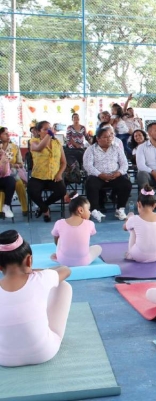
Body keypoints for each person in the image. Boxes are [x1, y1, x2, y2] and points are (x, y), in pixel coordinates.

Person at [0, 230, 72, 367]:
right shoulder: (42, 278)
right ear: (29, 260)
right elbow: (66, 270)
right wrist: (37, 271)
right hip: (43, 353)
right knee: (63, 286)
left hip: (3, 359)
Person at [82, 126, 132, 222]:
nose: (109, 139)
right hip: (97, 176)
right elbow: (87, 165)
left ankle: (120, 209)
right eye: (105, 137)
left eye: (110, 136)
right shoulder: (91, 149)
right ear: (98, 138)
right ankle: (95, 210)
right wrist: (100, 174)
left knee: (126, 184)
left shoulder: (116, 148)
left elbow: (124, 164)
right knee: (90, 183)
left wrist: (118, 173)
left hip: (114, 175)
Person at [27, 121, 67, 223]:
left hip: (53, 176)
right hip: (38, 176)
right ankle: (45, 210)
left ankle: (43, 207)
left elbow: (63, 163)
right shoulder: (33, 142)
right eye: (45, 129)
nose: (48, 131)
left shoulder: (57, 143)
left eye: (49, 128)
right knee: (31, 191)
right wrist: (49, 135)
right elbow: (40, 148)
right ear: (39, 131)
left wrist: (59, 174)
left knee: (61, 191)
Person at [51, 193, 102, 266]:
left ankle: (60, 255)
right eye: (88, 209)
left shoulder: (59, 223)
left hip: (63, 261)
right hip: (83, 262)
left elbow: (56, 240)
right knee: (98, 248)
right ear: (80, 210)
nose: (90, 212)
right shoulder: (90, 224)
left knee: (59, 237)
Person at [123, 185, 156, 262]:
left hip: (138, 256)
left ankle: (130, 254)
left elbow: (124, 228)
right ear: (154, 205)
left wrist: (128, 219)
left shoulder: (135, 219)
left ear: (138, 204)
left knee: (132, 228)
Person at [0, 128, 26, 216]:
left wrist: (13, 165)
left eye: (8, 133)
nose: (8, 135)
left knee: (18, 183)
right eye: (5, 134)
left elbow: (21, 164)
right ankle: (2, 210)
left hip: (12, 173)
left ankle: (24, 208)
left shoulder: (14, 147)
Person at [0, 140, 16, 219]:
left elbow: (5, 174)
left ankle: (6, 206)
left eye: (1, 149)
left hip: (2, 180)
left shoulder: (4, 155)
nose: (0, 151)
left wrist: (4, 163)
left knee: (11, 180)